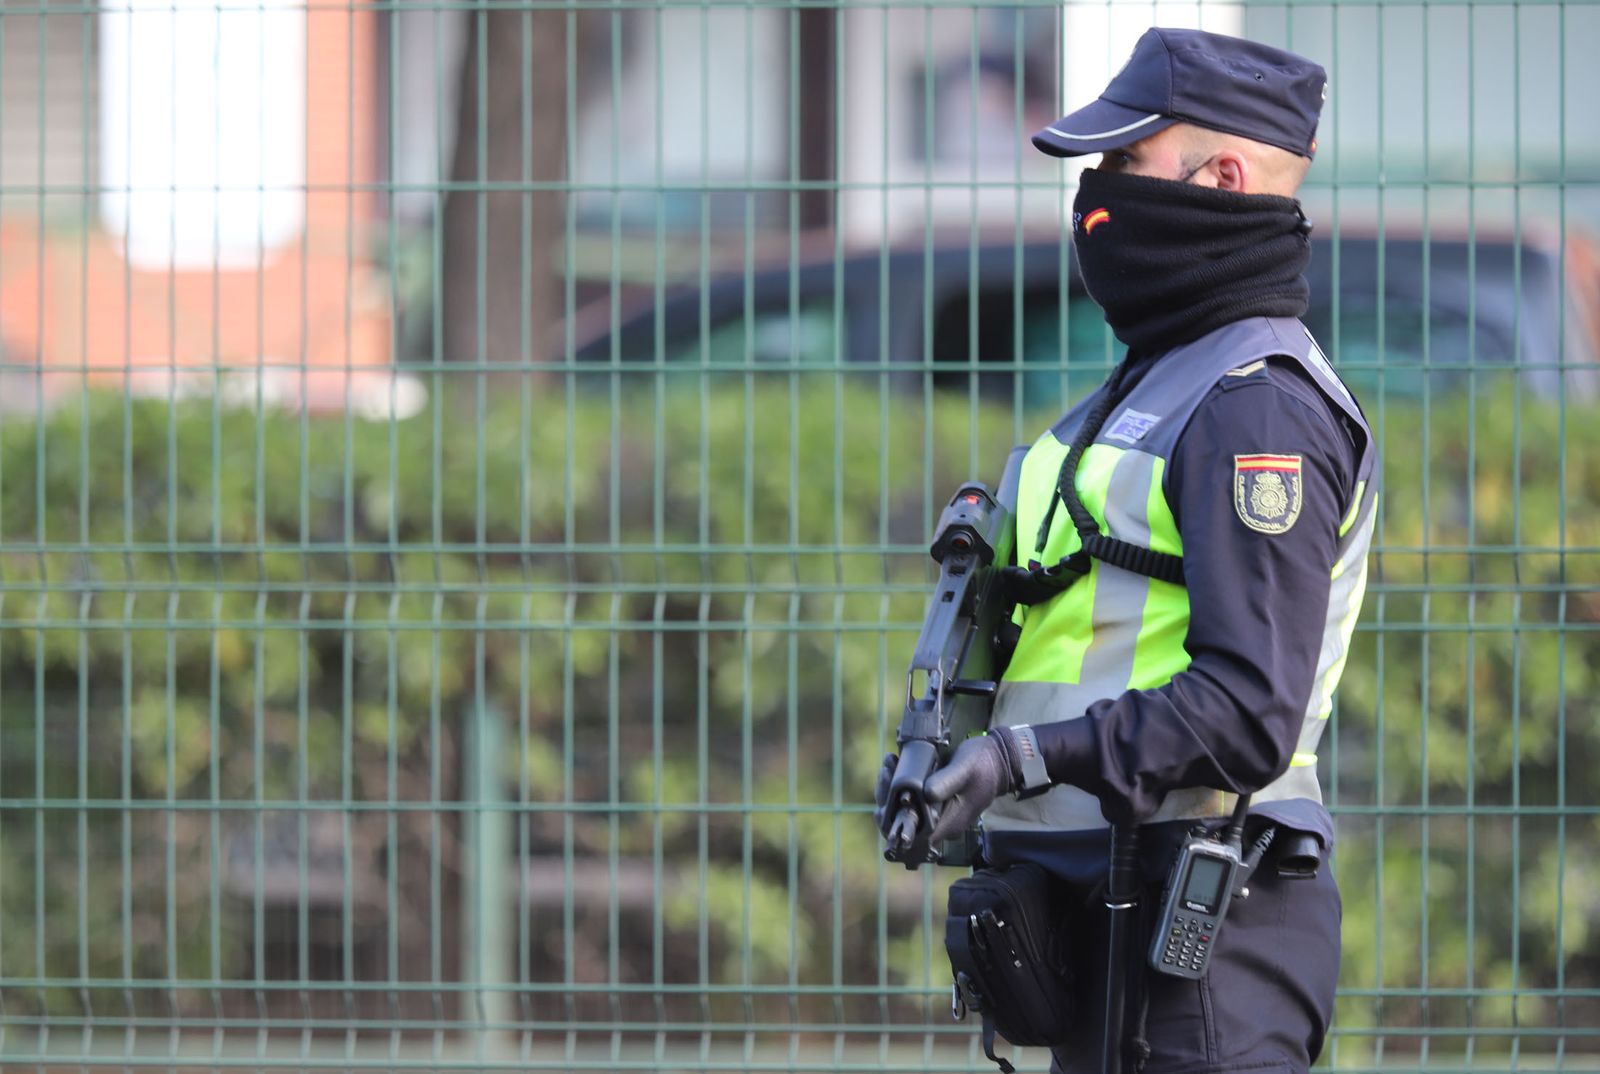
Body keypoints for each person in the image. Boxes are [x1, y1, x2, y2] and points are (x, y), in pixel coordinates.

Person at [894, 27, 1378, 1074]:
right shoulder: (1146, 387)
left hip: (1208, 931)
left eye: (1123, 163)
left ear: (1225, 177)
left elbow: (1247, 711)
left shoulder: (1257, 412)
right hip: (1099, 911)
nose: (1096, 199)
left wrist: (1019, 758)